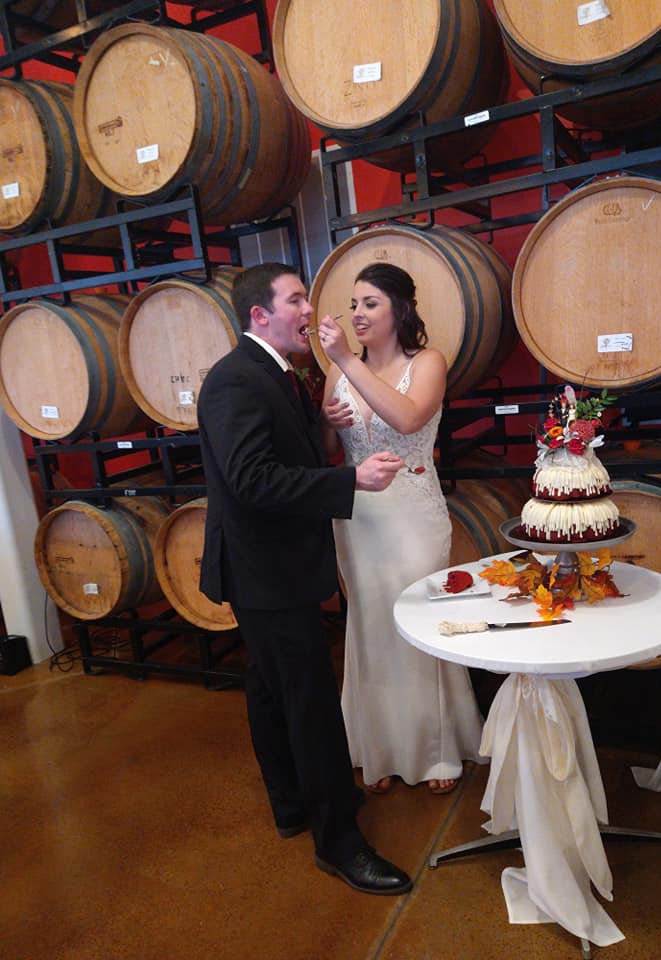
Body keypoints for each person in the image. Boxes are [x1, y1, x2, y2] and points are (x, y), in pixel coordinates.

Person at [197, 262, 412, 896]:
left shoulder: (276, 373)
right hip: (265, 571)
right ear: (259, 315)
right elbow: (253, 480)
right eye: (297, 300)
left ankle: (292, 805)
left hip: (270, 564)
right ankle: (339, 844)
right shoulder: (236, 380)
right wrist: (349, 480)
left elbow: (278, 458)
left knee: (268, 689)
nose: (311, 311)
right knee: (310, 700)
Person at [319, 262, 484, 795]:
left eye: (371, 303)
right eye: (354, 304)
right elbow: (329, 456)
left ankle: (435, 749)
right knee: (369, 627)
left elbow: (410, 419)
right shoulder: (336, 372)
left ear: (399, 310)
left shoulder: (428, 362)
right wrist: (328, 423)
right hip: (358, 518)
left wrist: (344, 358)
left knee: (414, 625)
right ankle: (378, 748)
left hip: (414, 512)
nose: (358, 314)